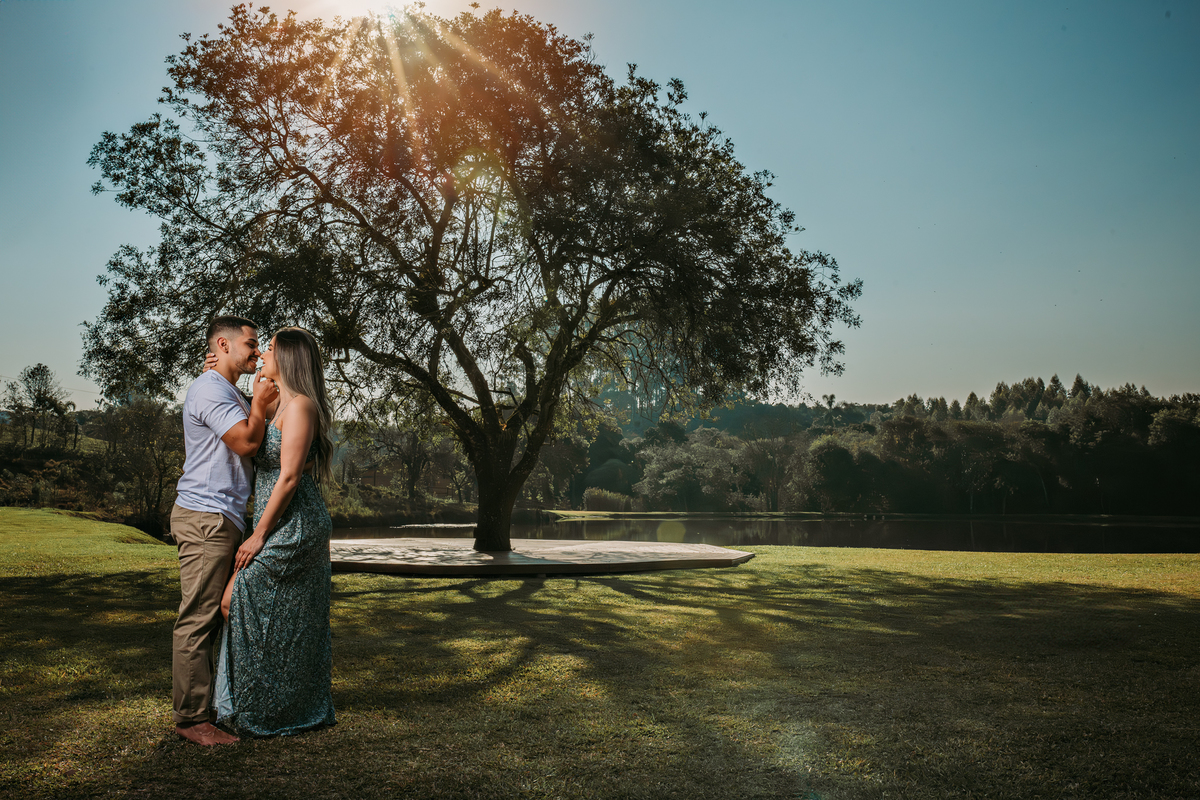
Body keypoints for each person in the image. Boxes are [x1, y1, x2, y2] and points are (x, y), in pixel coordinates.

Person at [214, 326, 337, 737]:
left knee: (238, 598)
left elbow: (288, 477)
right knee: (260, 608)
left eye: (268, 348)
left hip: (294, 524)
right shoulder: (276, 404)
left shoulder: (300, 406)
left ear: (287, 358)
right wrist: (217, 369)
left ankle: (272, 704)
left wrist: (258, 535)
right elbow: (249, 425)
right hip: (275, 521)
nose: (262, 354)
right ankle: (269, 700)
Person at [171, 315, 278, 746]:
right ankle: (191, 720)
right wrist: (259, 404)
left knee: (213, 615)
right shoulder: (211, 389)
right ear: (223, 344)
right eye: (251, 344)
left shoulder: (224, 388)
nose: (257, 351)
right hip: (206, 516)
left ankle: (207, 708)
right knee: (198, 618)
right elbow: (246, 442)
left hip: (221, 516)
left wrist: (257, 398)